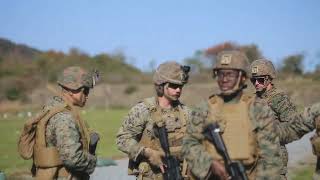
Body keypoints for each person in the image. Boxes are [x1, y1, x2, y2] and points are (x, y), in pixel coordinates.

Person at [182, 50, 282, 180]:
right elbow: (189, 144)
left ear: (243, 77)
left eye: (230, 74)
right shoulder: (204, 109)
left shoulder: (258, 109)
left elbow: (271, 157)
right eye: (220, 74)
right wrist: (209, 164)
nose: (224, 79)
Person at [116, 61, 191, 179]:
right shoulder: (143, 110)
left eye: (180, 86)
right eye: (173, 86)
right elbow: (122, 139)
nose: (178, 90)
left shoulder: (185, 112)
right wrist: (147, 153)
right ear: (161, 85)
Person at [33, 66, 98, 180]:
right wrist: (93, 160)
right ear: (72, 91)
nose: (87, 95)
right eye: (85, 90)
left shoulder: (50, 108)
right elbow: (72, 158)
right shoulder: (65, 118)